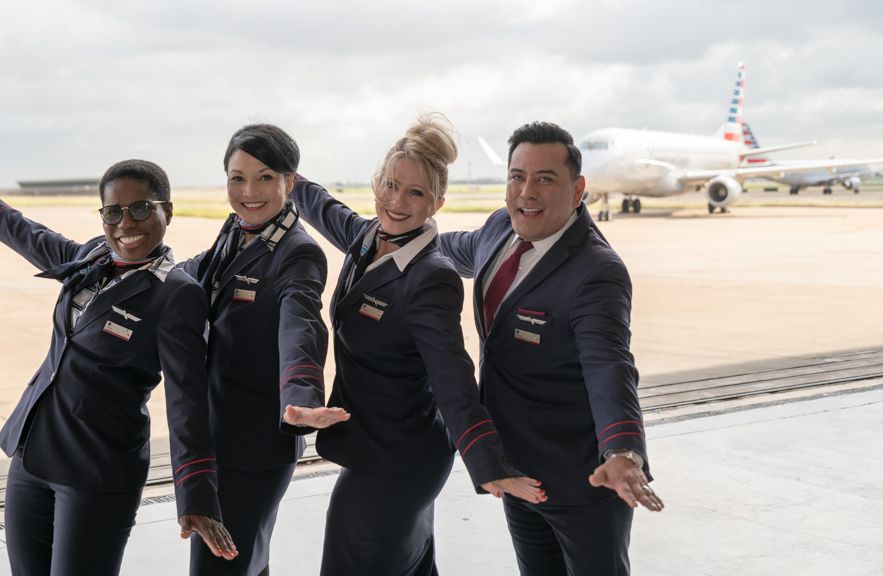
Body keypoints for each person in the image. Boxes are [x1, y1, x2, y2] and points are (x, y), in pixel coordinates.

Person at [0, 148, 236, 576]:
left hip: (95, 469)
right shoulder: (92, 257)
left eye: (140, 208)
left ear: (167, 211)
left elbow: (186, 401)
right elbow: (26, 233)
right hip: (32, 454)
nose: (126, 224)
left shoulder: (176, 293)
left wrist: (196, 495)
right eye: (113, 212)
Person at [290, 114, 545, 576]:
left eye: (415, 192)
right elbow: (323, 206)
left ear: (437, 202)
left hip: (400, 460)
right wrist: (279, 165)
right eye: (390, 185)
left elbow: (452, 377)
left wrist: (487, 462)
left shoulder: (432, 276)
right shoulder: (369, 238)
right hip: (377, 449)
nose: (396, 201)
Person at [436, 122, 664, 576]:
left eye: (544, 179)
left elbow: (609, 365)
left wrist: (622, 451)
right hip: (519, 471)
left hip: (583, 478)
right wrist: (386, 232)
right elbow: (439, 247)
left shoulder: (596, 272)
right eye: (517, 176)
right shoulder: (500, 229)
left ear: (577, 189)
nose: (526, 191)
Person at [179, 124, 348, 576]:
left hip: (254, 445)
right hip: (220, 431)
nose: (249, 192)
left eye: (265, 177)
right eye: (237, 178)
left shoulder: (298, 253)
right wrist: (136, 270)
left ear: (290, 182)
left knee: (224, 565)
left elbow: (302, 326)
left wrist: (301, 397)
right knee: (246, 562)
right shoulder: (238, 229)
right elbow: (197, 271)